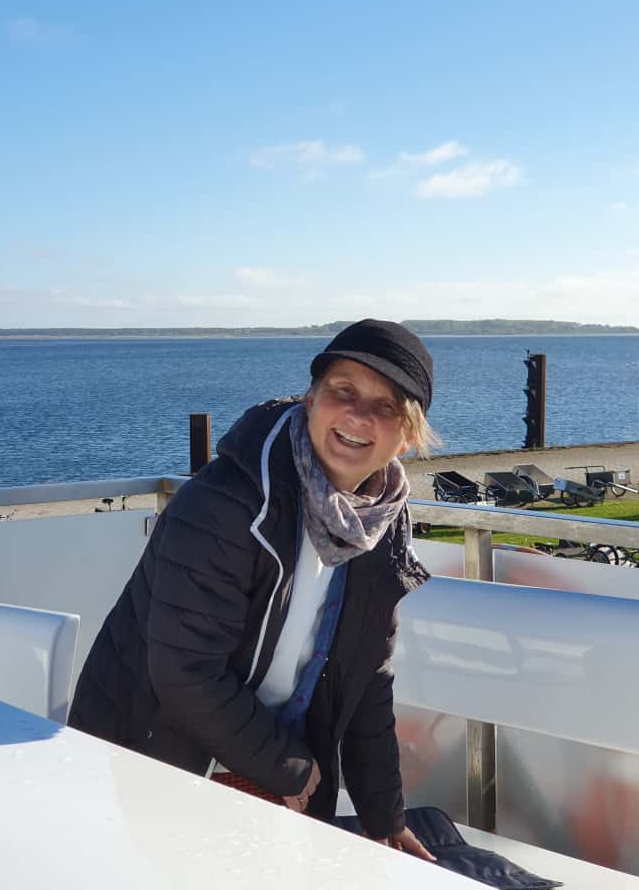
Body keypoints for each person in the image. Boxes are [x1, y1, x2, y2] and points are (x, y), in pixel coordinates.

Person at [69, 319, 437, 858]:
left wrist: (384, 816)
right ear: (311, 400)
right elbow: (184, 671)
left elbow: (366, 678)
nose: (358, 416)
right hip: (151, 758)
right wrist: (289, 768)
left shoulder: (381, 523)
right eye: (343, 391)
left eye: (385, 406)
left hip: (267, 767)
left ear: (407, 436)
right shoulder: (225, 503)